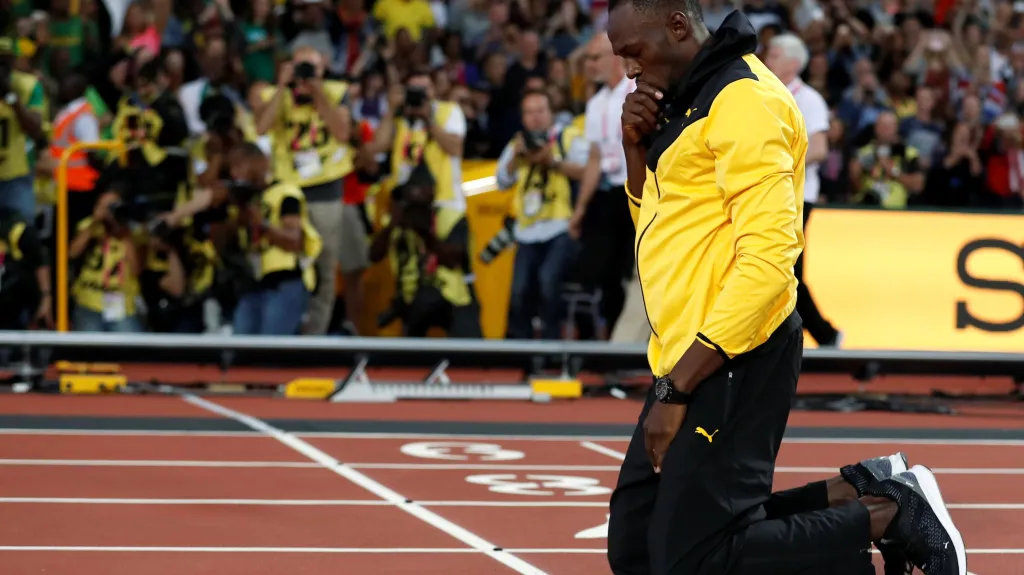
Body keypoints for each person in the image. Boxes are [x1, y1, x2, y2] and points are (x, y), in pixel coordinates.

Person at [604, 5, 965, 575]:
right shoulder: (689, 100)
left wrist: (677, 391)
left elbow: (771, 264)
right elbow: (662, 229)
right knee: (637, 544)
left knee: (695, 558)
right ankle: (860, 491)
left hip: (733, 353)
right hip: (683, 353)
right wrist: (636, 158)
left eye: (632, 51)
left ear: (677, 26)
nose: (627, 69)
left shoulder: (745, 101)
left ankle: (887, 514)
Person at [256, 46, 352, 335]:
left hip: (325, 192)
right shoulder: (277, 94)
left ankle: (315, 339)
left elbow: (343, 133)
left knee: (324, 272)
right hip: (289, 194)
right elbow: (261, 127)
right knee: (287, 268)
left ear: (323, 69)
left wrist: (317, 91)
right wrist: (283, 86)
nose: (306, 76)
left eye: (312, 69)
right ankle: (284, 331)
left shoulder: (336, 91)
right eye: (301, 69)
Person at [495, 88, 600, 340]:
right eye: (529, 112)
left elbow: (589, 171)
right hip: (527, 230)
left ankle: (553, 348)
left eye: (540, 110)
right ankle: (524, 354)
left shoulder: (567, 137)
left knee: (547, 283)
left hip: (560, 227)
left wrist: (552, 162)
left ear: (551, 113)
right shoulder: (518, 142)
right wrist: (516, 158)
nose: (535, 117)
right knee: (519, 292)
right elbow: (501, 180)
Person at [765, 33, 843, 348]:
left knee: (787, 271)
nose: (766, 59)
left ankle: (827, 335)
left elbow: (820, 149)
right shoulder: (763, 91)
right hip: (769, 194)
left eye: (774, 55)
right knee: (777, 269)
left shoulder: (808, 99)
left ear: (793, 63)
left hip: (796, 196)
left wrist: (777, 165)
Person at [216, 143, 323, 336]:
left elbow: (294, 241)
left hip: (285, 282)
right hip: (252, 285)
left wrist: (262, 225)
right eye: (231, 168)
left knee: (272, 350)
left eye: (239, 166)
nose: (234, 173)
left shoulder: (285, 192)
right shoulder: (245, 201)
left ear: (258, 162)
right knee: (242, 352)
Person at [0, 36, 47, 221]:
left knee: (23, 236)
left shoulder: (28, 85)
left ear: (12, 60)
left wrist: (11, 97)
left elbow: (36, 130)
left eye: (4, 61)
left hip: (17, 173)